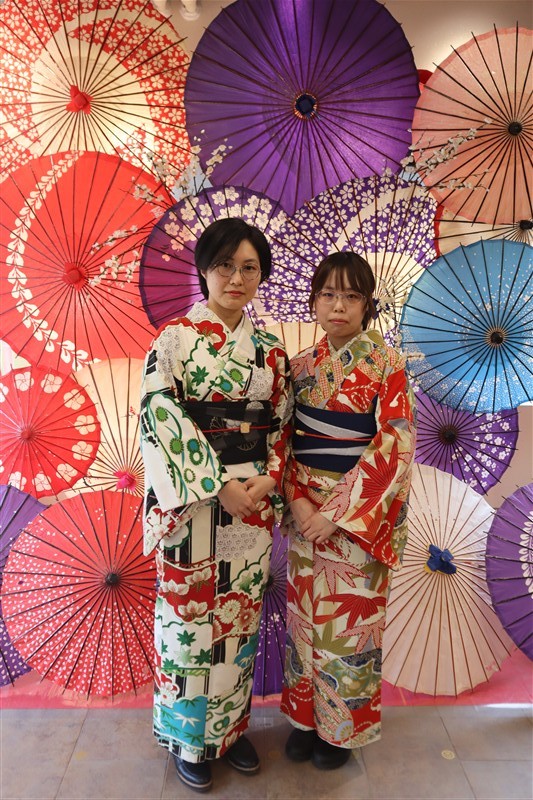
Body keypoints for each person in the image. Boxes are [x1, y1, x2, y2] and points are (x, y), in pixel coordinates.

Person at [140, 218, 293, 793]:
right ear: (205, 269)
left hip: (250, 506)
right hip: (193, 507)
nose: (236, 278)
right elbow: (158, 414)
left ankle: (228, 732)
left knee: (237, 618)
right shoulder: (175, 339)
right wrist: (217, 481)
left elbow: (281, 425)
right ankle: (188, 739)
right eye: (225, 265)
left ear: (261, 276)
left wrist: (270, 476)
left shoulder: (272, 352)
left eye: (249, 268)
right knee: (187, 621)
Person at [280, 251, 416, 770]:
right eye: (329, 294)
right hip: (305, 512)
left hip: (357, 520)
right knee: (303, 622)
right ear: (314, 301)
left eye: (351, 296)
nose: (338, 306)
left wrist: (334, 513)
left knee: (349, 628)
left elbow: (395, 444)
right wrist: (298, 500)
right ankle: (304, 720)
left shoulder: (388, 364)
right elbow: (284, 441)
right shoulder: (299, 367)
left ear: (367, 304)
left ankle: (340, 732)